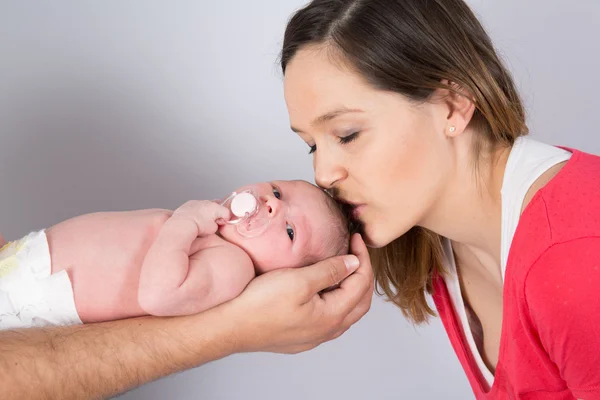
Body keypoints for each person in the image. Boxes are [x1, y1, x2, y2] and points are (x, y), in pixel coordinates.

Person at [279, 0, 600, 399]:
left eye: (346, 135)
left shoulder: (575, 259)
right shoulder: (438, 244)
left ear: (452, 104)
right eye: (311, 146)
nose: (323, 174)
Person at [1, 180, 357, 328]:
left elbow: (159, 295)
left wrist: (184, 223)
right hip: (27, 262)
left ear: (287, 275)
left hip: (34, 299)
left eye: (290, 231)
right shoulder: (214, 233)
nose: (271, 206)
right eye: (278, 192)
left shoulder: (233, 266)